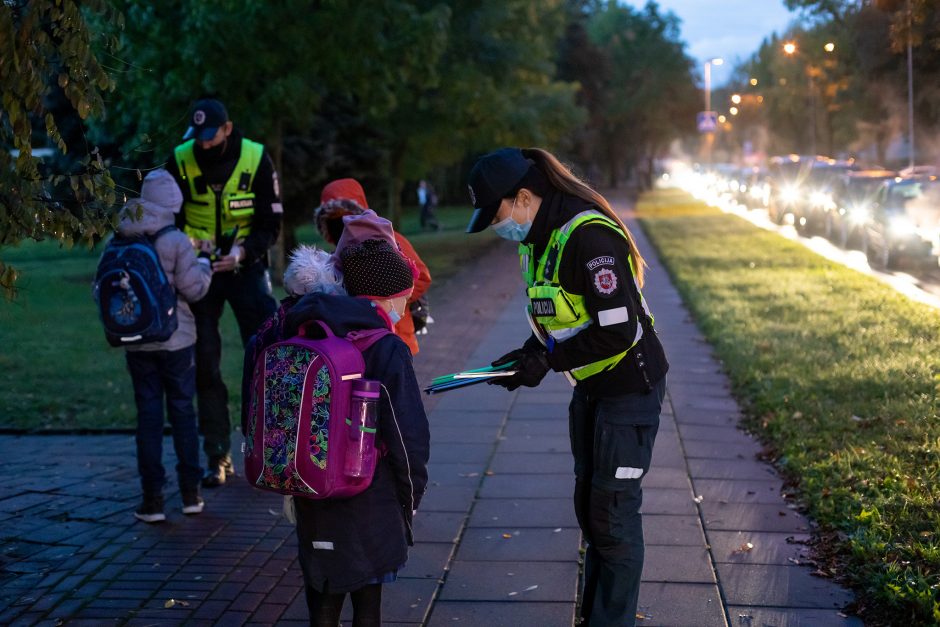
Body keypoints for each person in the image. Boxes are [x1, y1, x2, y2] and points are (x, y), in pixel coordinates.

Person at [465, 147, 669, 627]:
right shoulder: (539, 238)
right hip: (594, 388)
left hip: (629, 390)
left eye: (497, 215)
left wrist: (549, 362)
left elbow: (617, 330)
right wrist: (527, 353)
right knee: (593, 511)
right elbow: (560, 318)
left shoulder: (589, 236)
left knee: (613, 519)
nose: (498, 226)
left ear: (522, 197)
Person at [243, 214, 429, 627]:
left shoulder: (296, 326)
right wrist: (411, 495)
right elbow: (408, 436)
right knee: (367, 600)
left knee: (322, 596)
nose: (404, 306)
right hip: (369, 492)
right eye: (402, 298)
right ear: (384, 300)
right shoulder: (386, 348)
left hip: (309, 484)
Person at [166, 97, 282, 487]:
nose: (204, 144)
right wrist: (187, 248)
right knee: (204, 363)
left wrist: (244, 252)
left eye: (211, 136)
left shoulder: (256, 158)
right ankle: (217, 455)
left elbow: (270, 221)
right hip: (200, 275)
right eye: (198, 137)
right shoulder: (180, 159)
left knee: (268, 355)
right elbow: (168, 216)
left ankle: (269, 448)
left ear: (228, 128)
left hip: (245, 269)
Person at [108, 169, 213, 522]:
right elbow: (194, 290)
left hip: (137, 341)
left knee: (148, 417)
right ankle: (190, 494)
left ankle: (152, 500)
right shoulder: (175, 239)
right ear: (174, 202)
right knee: (183, 411)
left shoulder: (120, 236)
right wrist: (204, 263)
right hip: (176, 339)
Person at [315, 178, 431, 355]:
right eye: (333, 220)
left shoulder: (388, 240)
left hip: (396, 334)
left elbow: (421, 276)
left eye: (346, 216)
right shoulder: (337, 255)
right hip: (360, 342)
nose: (342, 224)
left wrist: (389, 299)